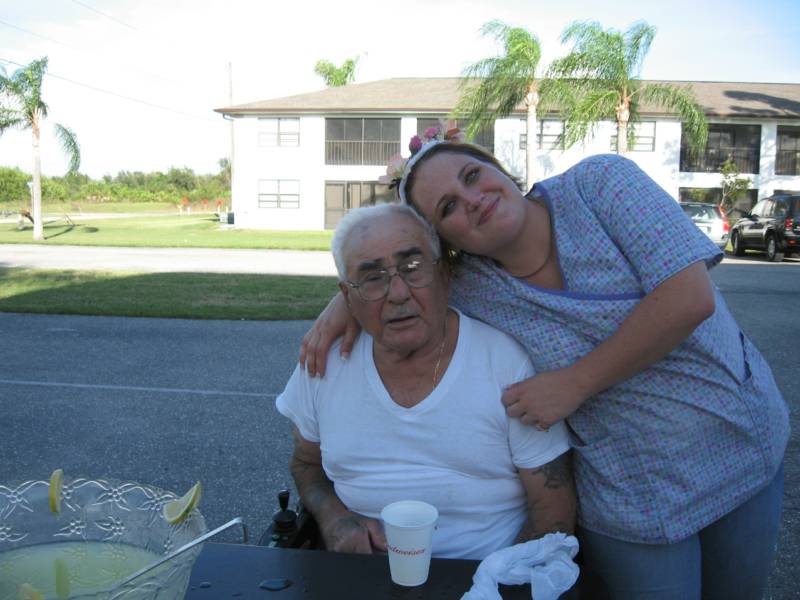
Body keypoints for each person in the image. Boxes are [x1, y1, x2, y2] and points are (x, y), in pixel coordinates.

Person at [299, 128, 789, 599]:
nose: (470, 199)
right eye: (447, 207)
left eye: (471, 176)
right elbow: (400, 271)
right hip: (632, 493)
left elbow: (689, 298)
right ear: (448, 243)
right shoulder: (472, 284)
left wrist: (574, 383)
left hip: (734, 447)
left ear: (499, 169)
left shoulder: (600, 186)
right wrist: (344, 301)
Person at [277, 202, 575, 560]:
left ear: (444, 275)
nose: (398, 293)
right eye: (373, 278)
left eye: (413, 267)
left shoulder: (504, 362)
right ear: (348, 297)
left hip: (484, 577)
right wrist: (333, 517)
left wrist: (499, 583)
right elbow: (306, 464)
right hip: (363, 576)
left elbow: (554, 509)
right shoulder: (324, 363)